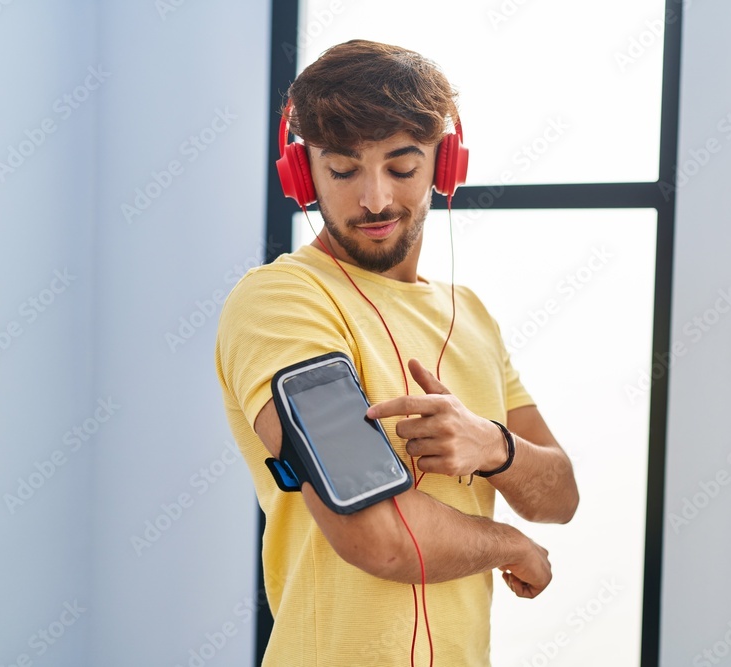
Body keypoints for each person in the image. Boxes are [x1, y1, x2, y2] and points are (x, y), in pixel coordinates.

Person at [215, 39, 579, 667]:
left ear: (444, 165)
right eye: (343, 168)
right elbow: (374, 532)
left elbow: (561, 495)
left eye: (402, 168)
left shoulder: (474, 316)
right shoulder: (279, 303)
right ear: (303, 175)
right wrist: (510, 545)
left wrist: (495, 447)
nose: (376, 200)